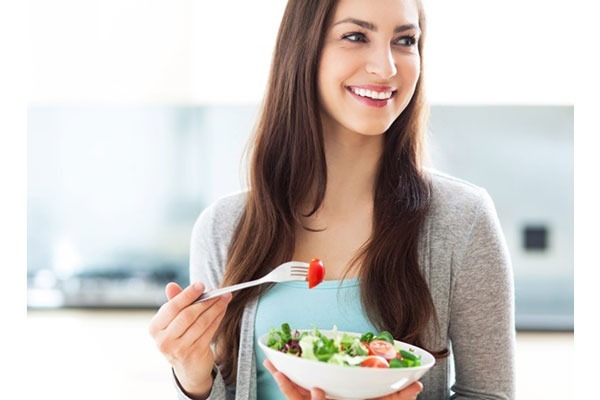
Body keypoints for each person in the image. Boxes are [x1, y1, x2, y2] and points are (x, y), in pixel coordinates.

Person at [148, 0, 516, 398]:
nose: (387, 66)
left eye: (405, 40)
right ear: (303, 49)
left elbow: (491, 394)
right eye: (356, 36)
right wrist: (193, 377)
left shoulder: (463, 221)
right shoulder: (225, 227)